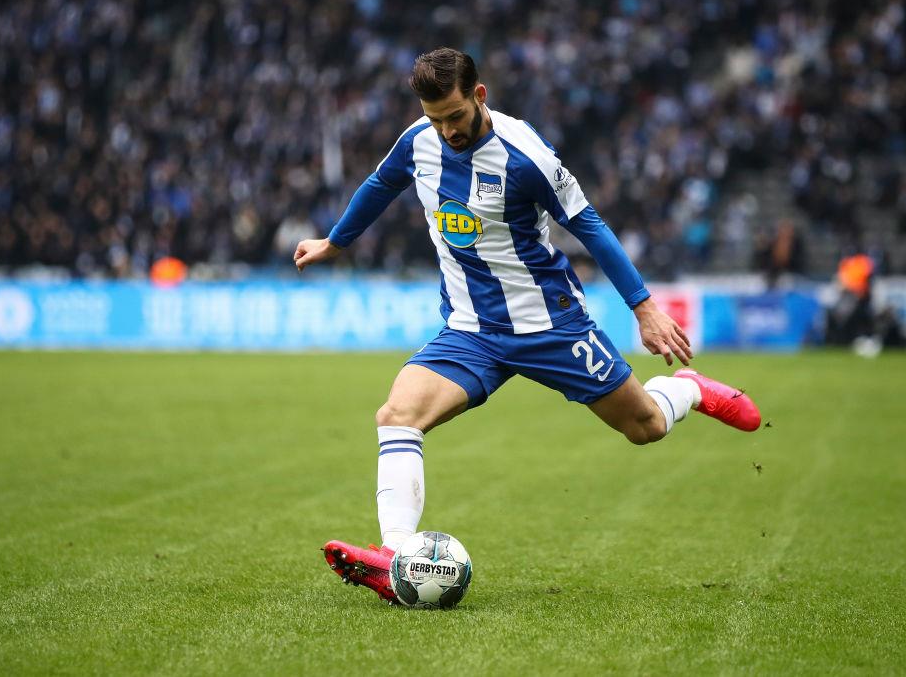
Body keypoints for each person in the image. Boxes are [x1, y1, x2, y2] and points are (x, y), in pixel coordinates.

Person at [293, 48, 761, 604]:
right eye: (435, 119)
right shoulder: (419, 141)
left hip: (550, 325)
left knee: (645, 427)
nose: (447, 131)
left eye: (455, 116)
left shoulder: (526, 155)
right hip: (471, 329)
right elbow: (379, 185)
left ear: (479, 95)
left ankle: (686, 390)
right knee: (397, 415)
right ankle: (395, 558)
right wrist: (335, 243)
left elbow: (589, 225)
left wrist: (643, 306)